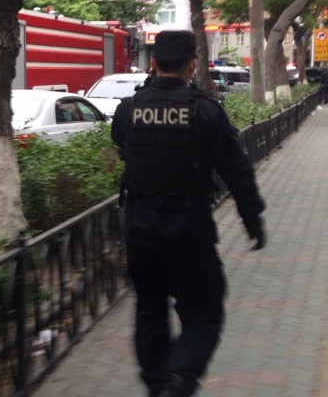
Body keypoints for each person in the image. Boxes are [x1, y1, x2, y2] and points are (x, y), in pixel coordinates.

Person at [111, 30, 266, 397]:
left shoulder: (128, 110)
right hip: (188, 232)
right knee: (204, 314)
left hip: (140, 231)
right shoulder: (204, 111)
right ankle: (177, 381)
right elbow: (236, 169)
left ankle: (157, 384)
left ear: (153, 63)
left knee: (150, 311)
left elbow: (121, 142)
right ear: (192, 65)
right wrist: (251, 217)